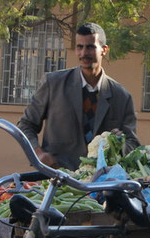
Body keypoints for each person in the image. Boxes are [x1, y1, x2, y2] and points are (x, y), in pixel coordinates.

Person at [18, 23, 139, 170]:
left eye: (90, 47)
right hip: (57, 179)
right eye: (79, 47)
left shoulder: (121, 97)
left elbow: (133, 144)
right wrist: (37, 153)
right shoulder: (54, 84)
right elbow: (26, 125)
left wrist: (120, 143)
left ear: (104, 50)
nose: (83, 53)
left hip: (100, 183)